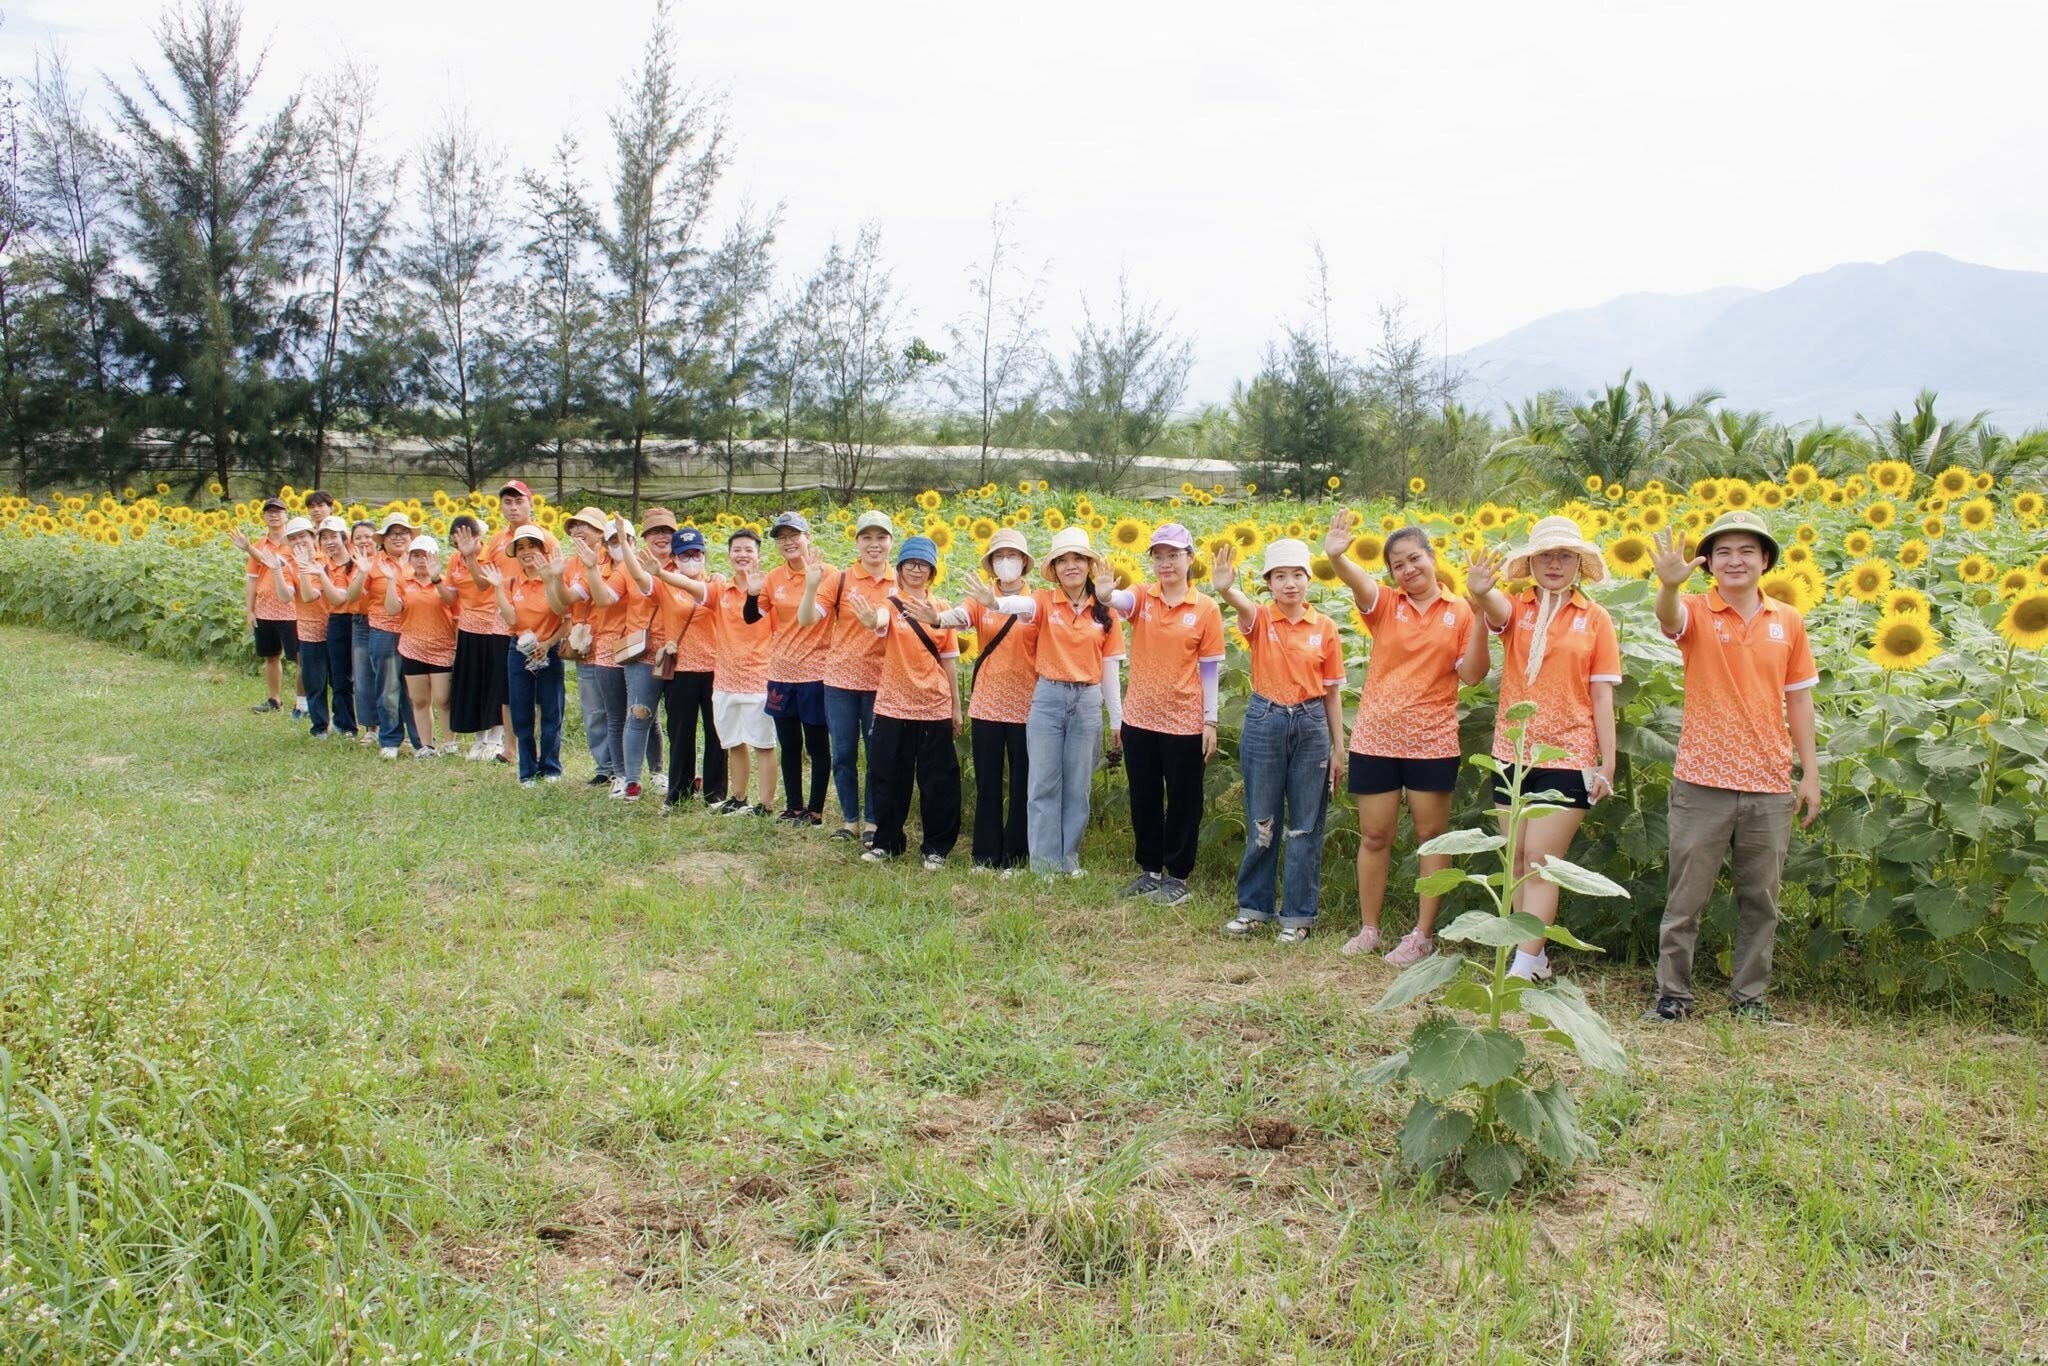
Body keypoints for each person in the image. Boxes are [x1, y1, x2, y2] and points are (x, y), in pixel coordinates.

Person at [1646, 512, 1821, 1022]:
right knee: (1686, 898)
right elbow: (1668, 617)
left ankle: (1750, 1000)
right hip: (1702, 780)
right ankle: (1672, 997)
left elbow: (1800, 701)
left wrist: (1809, 772)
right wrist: (1668, 584)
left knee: (1761, 901)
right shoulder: (1697, 610)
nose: (1736, 560)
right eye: (1723, 551)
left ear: (1765, 560)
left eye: (1747, 550)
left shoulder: (1787, 620)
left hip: (1769, 782)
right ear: (1708, 564)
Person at [1323, 510, 1490, 964]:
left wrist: (1478, 615)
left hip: (1432, 741)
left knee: (1430, 837)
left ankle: (1421, 934)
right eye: (1398, 564)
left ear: (1432, 557)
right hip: (1376, 738)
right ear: (1392, 573)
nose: (1409, 569)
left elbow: (1473, 675)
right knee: (1374, 836)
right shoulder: (1385, 606)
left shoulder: (1460, 612)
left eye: (1415, 558)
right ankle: (1369, 928)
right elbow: (1358, 582)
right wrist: (1337, 558)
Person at [1466, 515, 1622, 983]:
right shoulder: (1517, 608)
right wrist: (1479, 589)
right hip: (1512, 752)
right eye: (1546, 555)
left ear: (1579, 564)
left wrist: (1607, 763)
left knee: (1540, 860)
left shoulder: (1595, 619)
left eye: (1565, 555)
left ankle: (1525, 962)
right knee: (1515, 858)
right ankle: (1529, 955)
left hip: (1569, 754)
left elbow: (1602, 695)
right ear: (1531, 563)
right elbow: (1493, 606)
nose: (1555, 563)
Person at [1209, 539, 1347, 944]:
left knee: (1306, 825)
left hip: (1312, 724)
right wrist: (1226, 589)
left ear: (1308, 580)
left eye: (1297, 575)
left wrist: (1339, 748)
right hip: (1266, 719)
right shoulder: (1261, 620)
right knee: (1262, 819)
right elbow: (1243, 607)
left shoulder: (1325, 628)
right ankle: (1254, 908)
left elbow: (1333, 692)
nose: (1290, 584)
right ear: (1268, 583)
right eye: (1280, 576)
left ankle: (1299, 916)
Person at [976, 527, 1124, 878]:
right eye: (1063, 560)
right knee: (1042, 783)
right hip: (1047, 698)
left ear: (1088, 565)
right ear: (1054, 568)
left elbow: (1110, 668)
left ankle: (1067, 858)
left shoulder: (1105, 611)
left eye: (1078, 559)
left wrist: (1117, 719)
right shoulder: (1043, 601)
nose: (1070, 566)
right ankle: (1043, 865)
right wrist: (993, 603)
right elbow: (1018, 604)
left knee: (1078, 785)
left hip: (1087, 700)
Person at [1101, 523, 1225, 907]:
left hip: (1185, 721)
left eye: (1174, 555)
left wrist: (1210, 720)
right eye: (1159, 556)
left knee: (1185, 800)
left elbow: (1209, 670)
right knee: (1145, 797)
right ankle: (1149, 870)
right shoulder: (1142, 597)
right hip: (1139, 720)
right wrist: (1106, 592)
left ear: (1190, 559)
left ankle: (1178, 876)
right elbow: (1119, 601)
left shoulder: (1205, 608)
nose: (1166, 563)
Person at [849, 536, 962, 867]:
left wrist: (955, 707)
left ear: (932, 572)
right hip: (893, 705)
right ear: (899, 569)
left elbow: (950, 660)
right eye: (910, 563)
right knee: (887, 776)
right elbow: (880, 620)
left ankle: (936, 847)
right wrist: (871, 621)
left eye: (923, 565)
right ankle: (887, 841)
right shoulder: (890, 604)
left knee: (938, 780)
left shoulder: (942, 610)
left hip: (934, 705)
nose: (916, 569)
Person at [938, 528, 1039, 873]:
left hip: (1028, 704)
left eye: (1012, 556)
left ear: (1024, 562)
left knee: (1025, 780)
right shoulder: (982, 597)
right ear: (992, 563)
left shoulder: (1037, 600)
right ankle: (985, 853)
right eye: (999, 556)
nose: (1006, 562)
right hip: (987, 703)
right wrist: (936, 618)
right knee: (988, 780)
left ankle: (1016, 854)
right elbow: (961, 616)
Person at [821, 512, 897, 843]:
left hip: (883, 682)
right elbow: (812, 616)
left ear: (891, 542)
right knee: (843, 753)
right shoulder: (840, 580)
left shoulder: (902, 582)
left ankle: (873, 821)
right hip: (839, 682)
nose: (874, 544)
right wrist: (810, 587)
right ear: (857, 542)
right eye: (867, 537)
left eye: (881, 537)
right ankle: (850, 819)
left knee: (877, 754)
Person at [762, 511, 837, 826]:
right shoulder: (773, 578)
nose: (788, 542)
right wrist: (750, 591)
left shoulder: (830, 574)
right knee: (788, 743)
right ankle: (793, 805)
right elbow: (754, 614)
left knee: (816, 743)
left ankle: (815, 810)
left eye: (794, 535)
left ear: (808, 537)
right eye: (782, 537)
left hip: (816, 674)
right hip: (780, 672)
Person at [484, 525, 568, 786]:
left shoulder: (554, 579)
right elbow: (510, 619)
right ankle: (527, 770)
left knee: (552, 711)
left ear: (543, 550)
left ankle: (551, 767)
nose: (526, 552)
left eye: (532, 546)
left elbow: (565, 618)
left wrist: (549, 642)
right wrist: (498, 588)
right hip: (519, 651)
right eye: (521, 548)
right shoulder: (511, 583)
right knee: (521, 712)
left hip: (550, 650)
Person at [647, 526, 724, 807]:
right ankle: (679, 791)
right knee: (681, 733)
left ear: (704, 555)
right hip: (681, 669)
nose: (691, 559)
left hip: (715, 668)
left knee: (716, 733)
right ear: (675, 559)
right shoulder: (666, 585)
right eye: (684, 555)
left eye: (696, 554)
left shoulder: (717, 584)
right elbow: (640, 580)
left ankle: (715, 793)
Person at [545, 507, 622, 787]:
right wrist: (552, 577)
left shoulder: (613, 559)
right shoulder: (569, 564)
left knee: (619, 711)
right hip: (585, 646)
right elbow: (560, 605)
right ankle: (605, 767)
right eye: (574, 526)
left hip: (614, 645)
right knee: (593, 711)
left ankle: (625, 769)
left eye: (585, 526)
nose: (578, 530)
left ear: (602, 533)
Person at [483, 479, 555, 762]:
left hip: (540, 625)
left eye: (518, 501)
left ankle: (536, 748)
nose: (513, 507)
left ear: (531, 504)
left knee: (541, 689)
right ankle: (510, 748)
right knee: (508, 687)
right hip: (505, 622)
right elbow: (485, 581)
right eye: (507, 502)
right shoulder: (497, 541)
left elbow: (554, 578)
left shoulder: (545, 538)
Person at [613, 510, 681, 802]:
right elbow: (640, 580)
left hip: (680, 652)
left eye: (667, 530)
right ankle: (632, 780)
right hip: (644, 653)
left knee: (676, 720)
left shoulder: (688, 561)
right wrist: (623, 544)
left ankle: (663, 773)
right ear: (644, 538)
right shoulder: (634, 565)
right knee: (639, 714)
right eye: (654, 531)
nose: (662, 536)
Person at [709, 529, 779, 815]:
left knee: (763, 744)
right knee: (734, 741)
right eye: (737, 549)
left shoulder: (768, 592)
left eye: (749, 550)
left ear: (759, 556)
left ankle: (765, 805)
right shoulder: (719, 589)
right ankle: (739, 798)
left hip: (759, 678)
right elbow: (691, 587)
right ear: (728, 556)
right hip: (725, 679)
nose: (743, 555)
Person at [349, 512, 426, 759]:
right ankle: (391, 740)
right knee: (388, 688)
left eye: (404, 533)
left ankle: (420, 741)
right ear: (383, 539)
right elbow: (351, 596)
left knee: (415, 690)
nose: (399, 537)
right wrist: (361, 572)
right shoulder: (371, 563)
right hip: (384, 630)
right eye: (393, 533)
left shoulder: (416, 561)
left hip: (414, 631)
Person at [442, 514, 511, 763]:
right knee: (474, 685)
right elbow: (451, 598)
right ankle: (479, 738)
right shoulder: (454, 560)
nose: (459, 546)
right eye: (455, 541)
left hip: (494, 626)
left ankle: (496, 739)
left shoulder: (491, 555)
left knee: (495, 684)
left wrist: (470, 557)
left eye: (464, 539)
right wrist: (436, 579)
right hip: (469, 628)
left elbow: (483, 585)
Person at [385, 534, 458, 754]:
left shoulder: (445, 581)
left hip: (442, 646)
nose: (421, 560)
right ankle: (427, 744)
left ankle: (449, 742)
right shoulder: (404, 583)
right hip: (412, 647)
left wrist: (436, 579)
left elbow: (451, 601)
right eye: (416, 555)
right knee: (419, 700)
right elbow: (391, 609)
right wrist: (389, 580)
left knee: (443, 698)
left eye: (426, 555)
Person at [269, 516, 339, 738]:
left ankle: (343, 725)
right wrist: (276, 571)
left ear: (313, 538)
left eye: (303, 536)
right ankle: (320, 727)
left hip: (336, 627)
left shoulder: (327, 560)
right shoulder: (290, 566)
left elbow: (313, 595)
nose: (299, 541)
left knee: (341, 682)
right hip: (309, 631)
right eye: (294, 538)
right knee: (314, 682)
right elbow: (285, 596)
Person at [235, 496, 300, 716]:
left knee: (299, 658)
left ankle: (303, 702)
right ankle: (274, 699)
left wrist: (248, 548)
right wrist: (249, 610)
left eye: (278, 511)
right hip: (265, 610)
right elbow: (252, 579)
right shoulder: (260, 544)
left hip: (291, 610)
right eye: (270, 511)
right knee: (271, 656)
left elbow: (272, 562)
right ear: (263, 516)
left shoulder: (292, 543)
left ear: (286, 516)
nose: (274, 515)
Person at [308, 515, 359, 739]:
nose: (329, 542)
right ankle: (345, 724)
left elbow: (343, 596)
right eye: (324, 538)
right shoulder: (324, 568)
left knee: (363, 677)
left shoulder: (358, 563)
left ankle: (372, 727)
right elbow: (333, 600)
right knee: (339, 677)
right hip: (338, 622)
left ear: (344, 538)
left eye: (333, 537)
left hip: (361, 621)